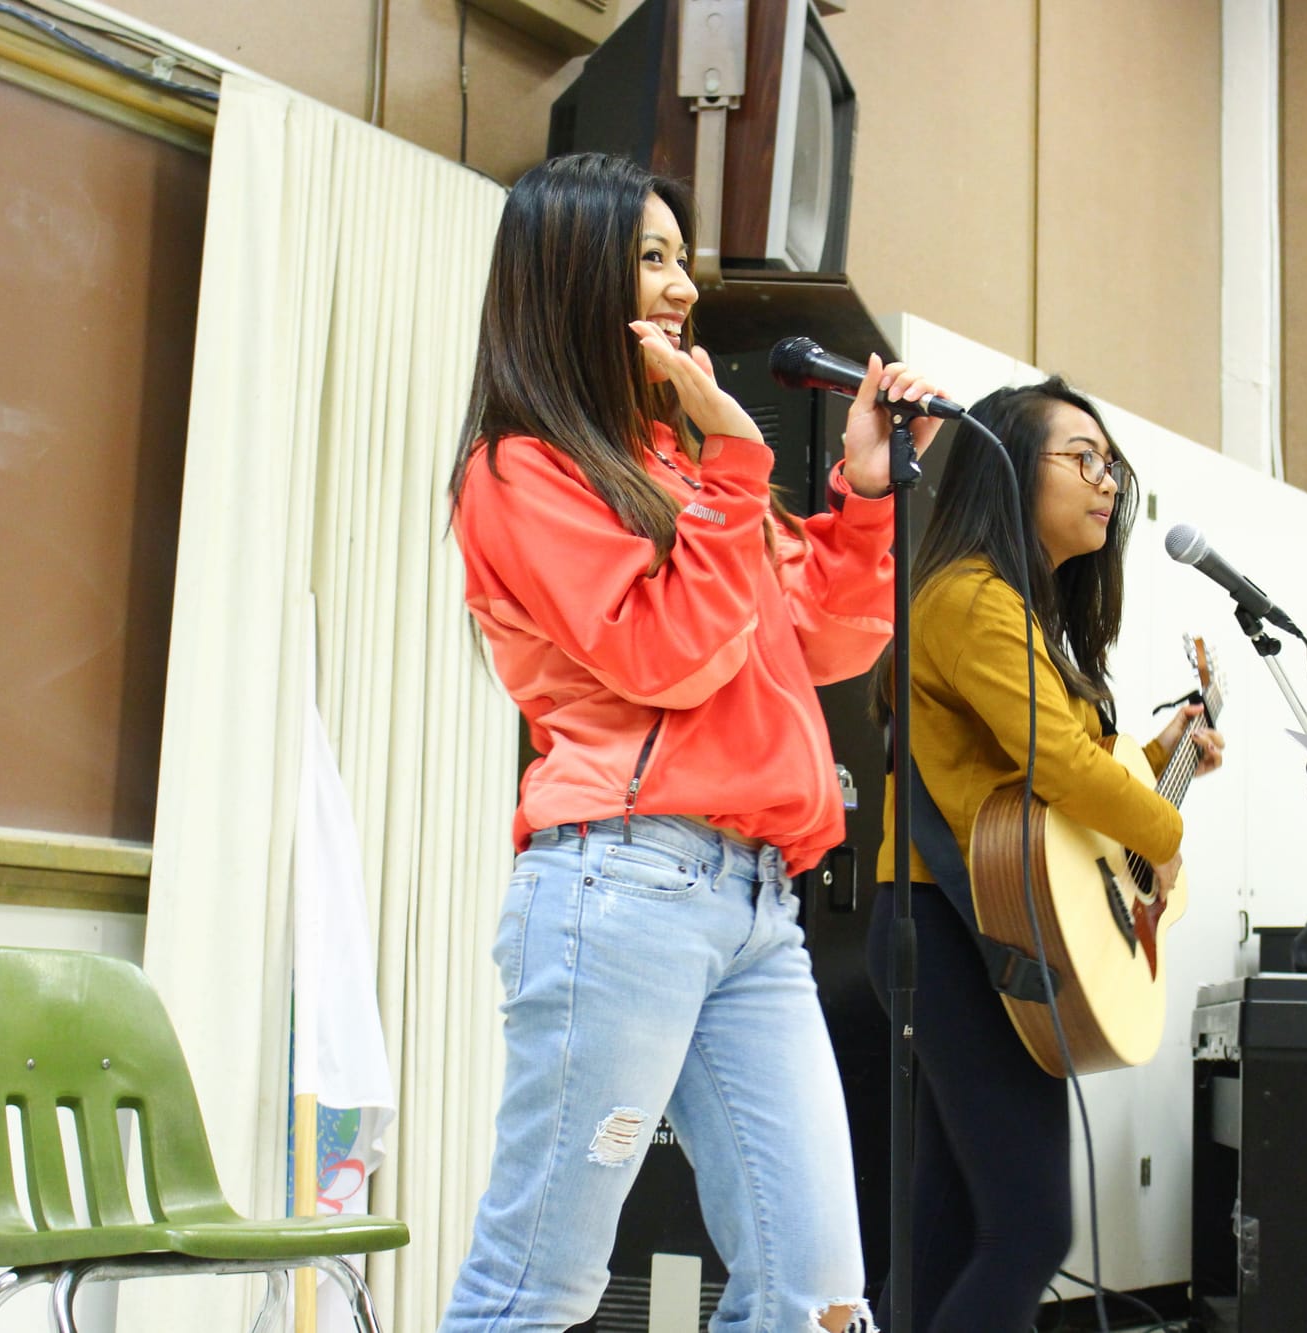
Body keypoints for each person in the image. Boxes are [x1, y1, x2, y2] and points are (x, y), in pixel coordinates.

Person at [440, 151, 945, 1333]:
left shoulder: (678, 468)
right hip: (622, 886)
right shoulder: (520, 470)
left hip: (754, 906)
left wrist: (864, 493)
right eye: (651, 259)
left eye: (682, 261)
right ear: (572, 276)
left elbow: (820, 636)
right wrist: (737, 460)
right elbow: (666, 653)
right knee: (538, 1287)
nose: (682, 289)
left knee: (816, 1300)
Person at [864, 377, 1225, 1332]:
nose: (1107, 481)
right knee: (1028, 1229)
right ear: (1010, 471)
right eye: (1083, 458)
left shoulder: (1015, 609)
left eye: (1113, 465)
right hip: (953, 926)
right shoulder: (972, 599)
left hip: (966, 922)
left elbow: (1049, 776)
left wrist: (1158, 756)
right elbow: (1058, 764)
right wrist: (1165, 830)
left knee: (947, 1235)